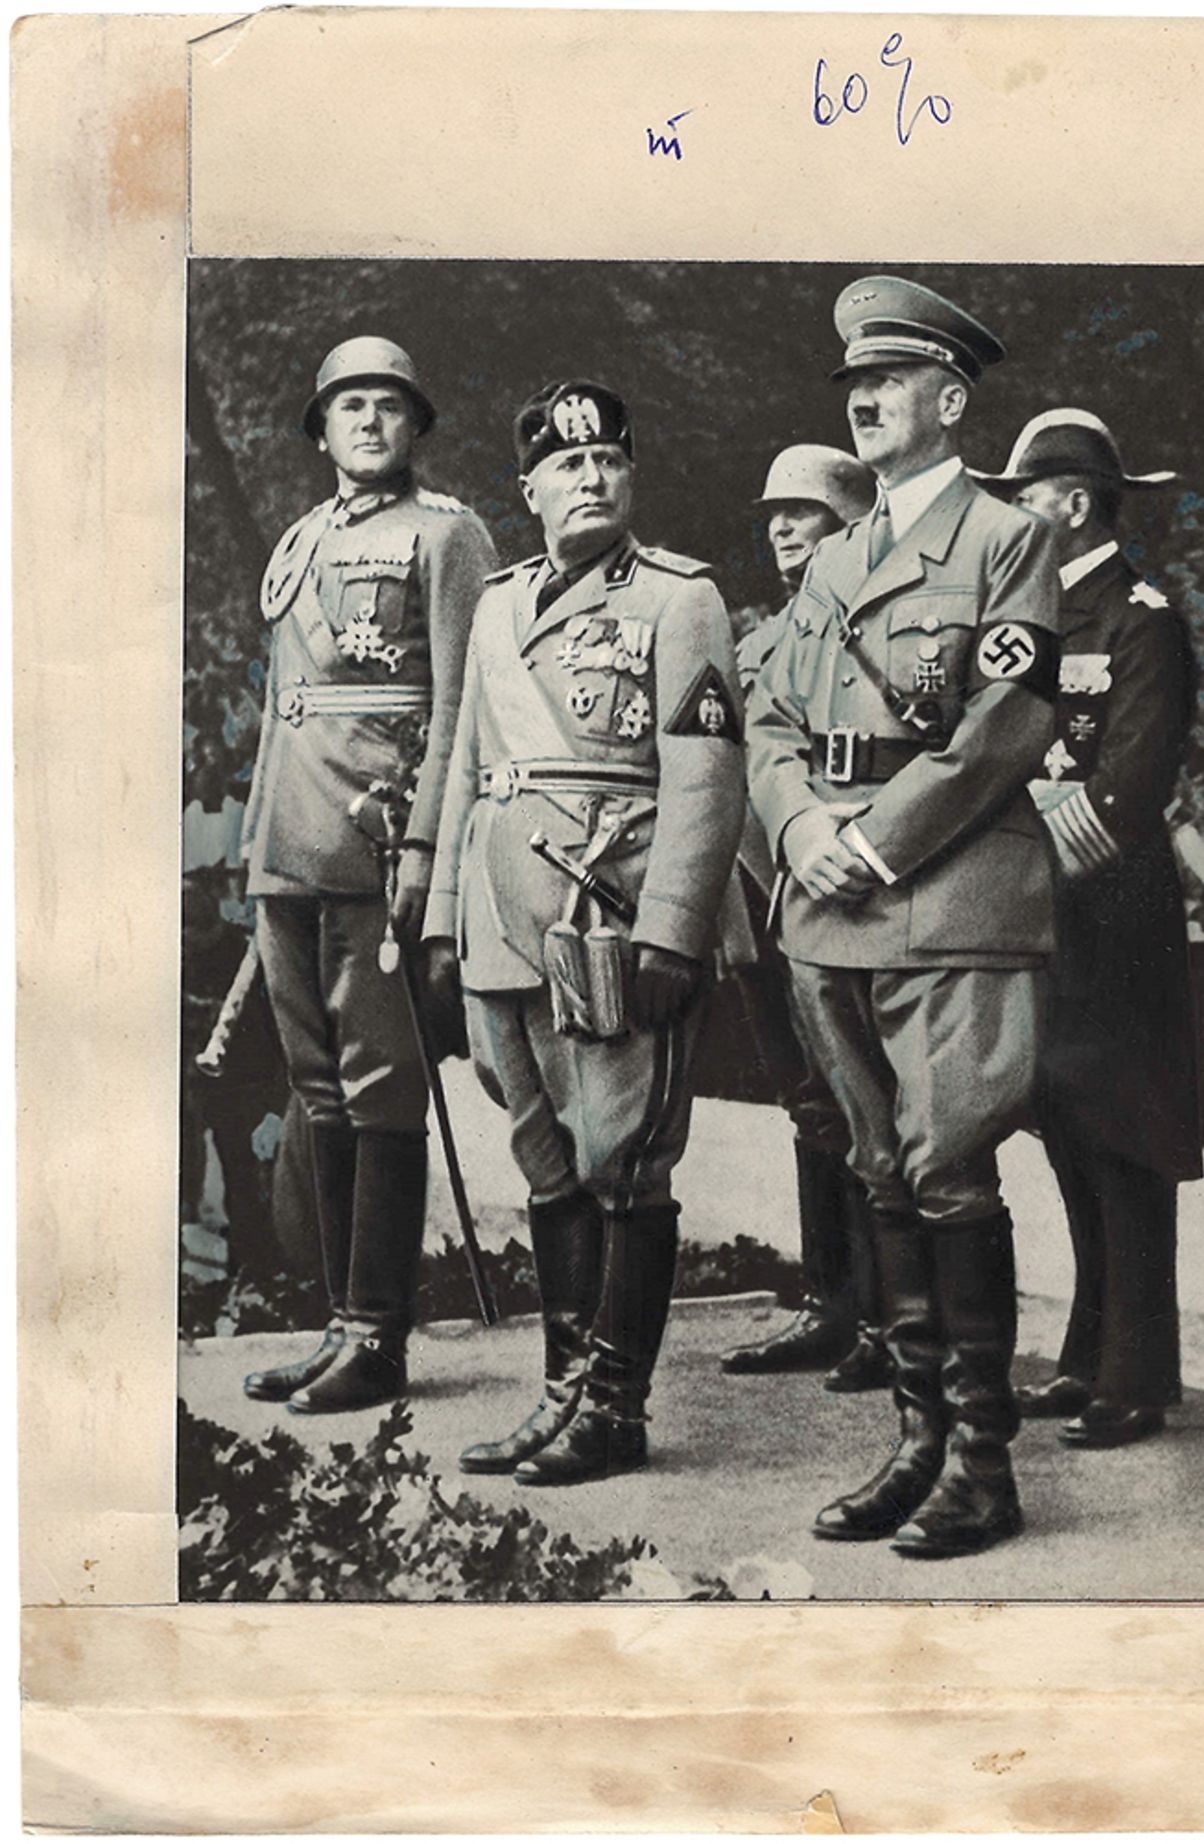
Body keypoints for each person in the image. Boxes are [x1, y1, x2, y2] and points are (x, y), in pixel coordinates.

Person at [746, 275, 1061, 1558]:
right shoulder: (829, 559)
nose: (865, 400)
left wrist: (871, 835)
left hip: (945, 893)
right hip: (831, 902)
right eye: (852, 387)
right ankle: (916, 1439)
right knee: (879, 1167)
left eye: (889, 381)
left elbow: (1007, 726)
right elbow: (770, 718)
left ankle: (983, 1461)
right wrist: (802, 826)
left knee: (947, 1166)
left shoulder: (1006, 539)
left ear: (950, 396)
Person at [424, 380, 746, 1486]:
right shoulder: (501, 603)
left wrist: (673, 930)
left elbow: (706, 775)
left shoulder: (679, 598)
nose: (592, 476)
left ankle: (617, 1403)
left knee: (624, 1160)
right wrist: (437, 924)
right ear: (529, 491)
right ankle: (561, 1392)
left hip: (605, 910)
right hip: (500, 919)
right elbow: (465, 766)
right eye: (568, 465)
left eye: (610, 457)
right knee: (546, 1163)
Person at [239, 336, 495, 1413]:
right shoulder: (299, 540)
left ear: (415, 425)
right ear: (321, 428)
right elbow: (282, 710)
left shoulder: (445, 535)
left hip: (376, 842)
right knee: (317, 1087)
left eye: (389, 404)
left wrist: (431, 854)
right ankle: (336, 1320)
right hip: (288, 845)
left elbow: (460, 712)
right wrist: (257, 850)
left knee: (381, 1084)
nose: (369, 421)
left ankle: (378, 1334)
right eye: (349, 405)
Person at [974, 409, 1203, 1449]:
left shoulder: (1141, 616)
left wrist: (1029, 863)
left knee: (1126, 1142)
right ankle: (1088, 1353)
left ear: (1070, 504)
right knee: (1068, 1130)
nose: (1012, 514)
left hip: (1112, 910)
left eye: (1023, 496)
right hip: (1042, 909)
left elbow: (1131, 783)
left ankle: (1139, 1372)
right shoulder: (1027, 619)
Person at [719, 444, 892, 1391]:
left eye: (807, 512)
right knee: (806, 1101)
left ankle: (890, 1313)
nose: (783, 528)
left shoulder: (870, 632)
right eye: (775, 514)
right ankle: (831, 1303)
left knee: (868, 1098)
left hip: (835, 891)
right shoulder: (754, 641)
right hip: (755, 899)